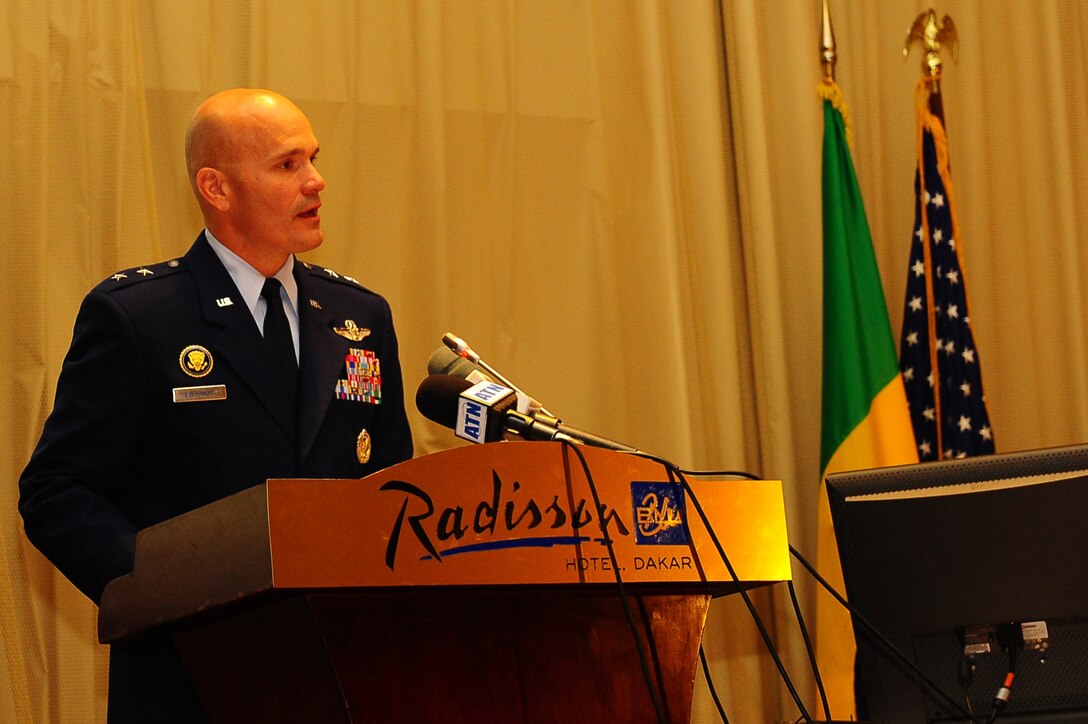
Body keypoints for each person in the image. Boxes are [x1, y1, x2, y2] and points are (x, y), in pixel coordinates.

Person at [18, 89, 414, 722]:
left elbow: (391, 483)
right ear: (217, 188)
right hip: (190, 679)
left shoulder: (359, 316)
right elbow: (57, 492)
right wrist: (166, 593)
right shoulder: (139, 317)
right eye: (288, 165)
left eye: (312, 159)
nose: (316, 181)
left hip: (341, 671)